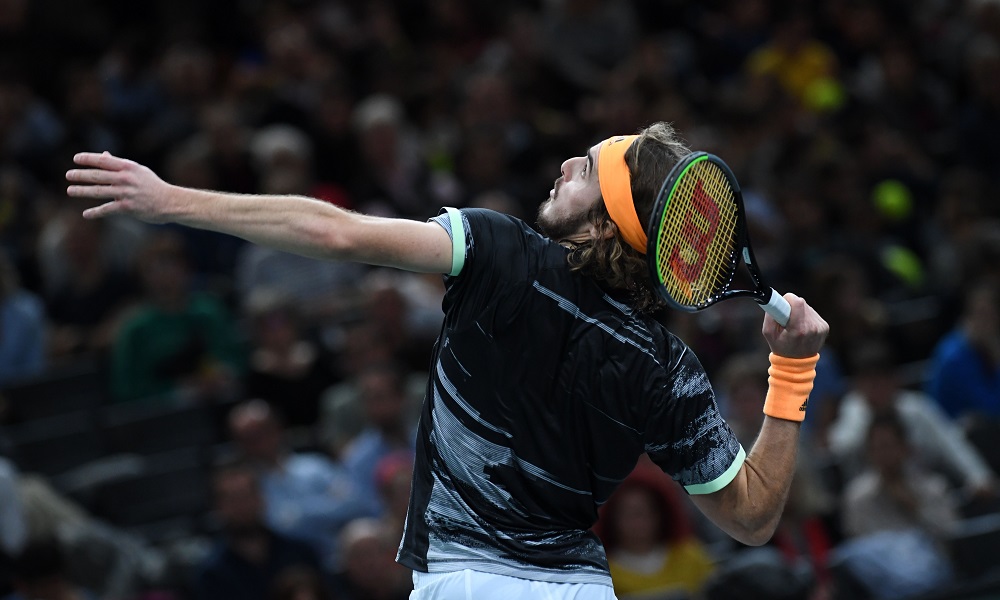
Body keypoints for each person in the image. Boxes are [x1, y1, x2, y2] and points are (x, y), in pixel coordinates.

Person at [66, 121, 829, 599]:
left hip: (471, 582)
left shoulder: (497, 248)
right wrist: (791, 374)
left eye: (589, 168)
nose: (568, 161)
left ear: (608, 220)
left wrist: (172, 200)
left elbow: (336, 233)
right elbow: (753, 517)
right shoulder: (667, 365)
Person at [227, 399, 373, 570]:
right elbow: (276, 529)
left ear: (278, 429)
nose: (258, 442)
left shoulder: (315, 466)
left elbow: (355, 504)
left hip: (343, 558)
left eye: (262, 432)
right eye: (248, 438)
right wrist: (327, 507)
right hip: (292, 568)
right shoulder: (246, 486)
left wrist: (299, 515)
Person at [192, 460, 324, 600]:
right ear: (218, 507)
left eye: (246, 495)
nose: (241, 506)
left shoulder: (301, 553)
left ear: (261, 498)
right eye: (232, 499)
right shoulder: (212, 574)